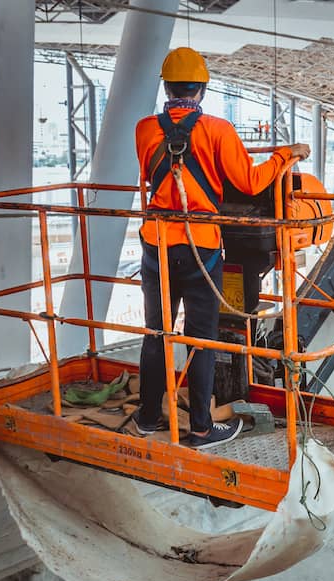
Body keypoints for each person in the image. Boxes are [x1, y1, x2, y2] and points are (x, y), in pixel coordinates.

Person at [131, 46, 309, 449]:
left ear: (168, 86)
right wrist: (287, 153)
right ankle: (200, 428)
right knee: (202, 338)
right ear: (202, 89)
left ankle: (146, 417)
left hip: (155, 243)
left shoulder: (143, 129)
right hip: (201, 246)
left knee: (155, 332)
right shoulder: (217, 130)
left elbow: (148, 175)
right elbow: (249, 181)